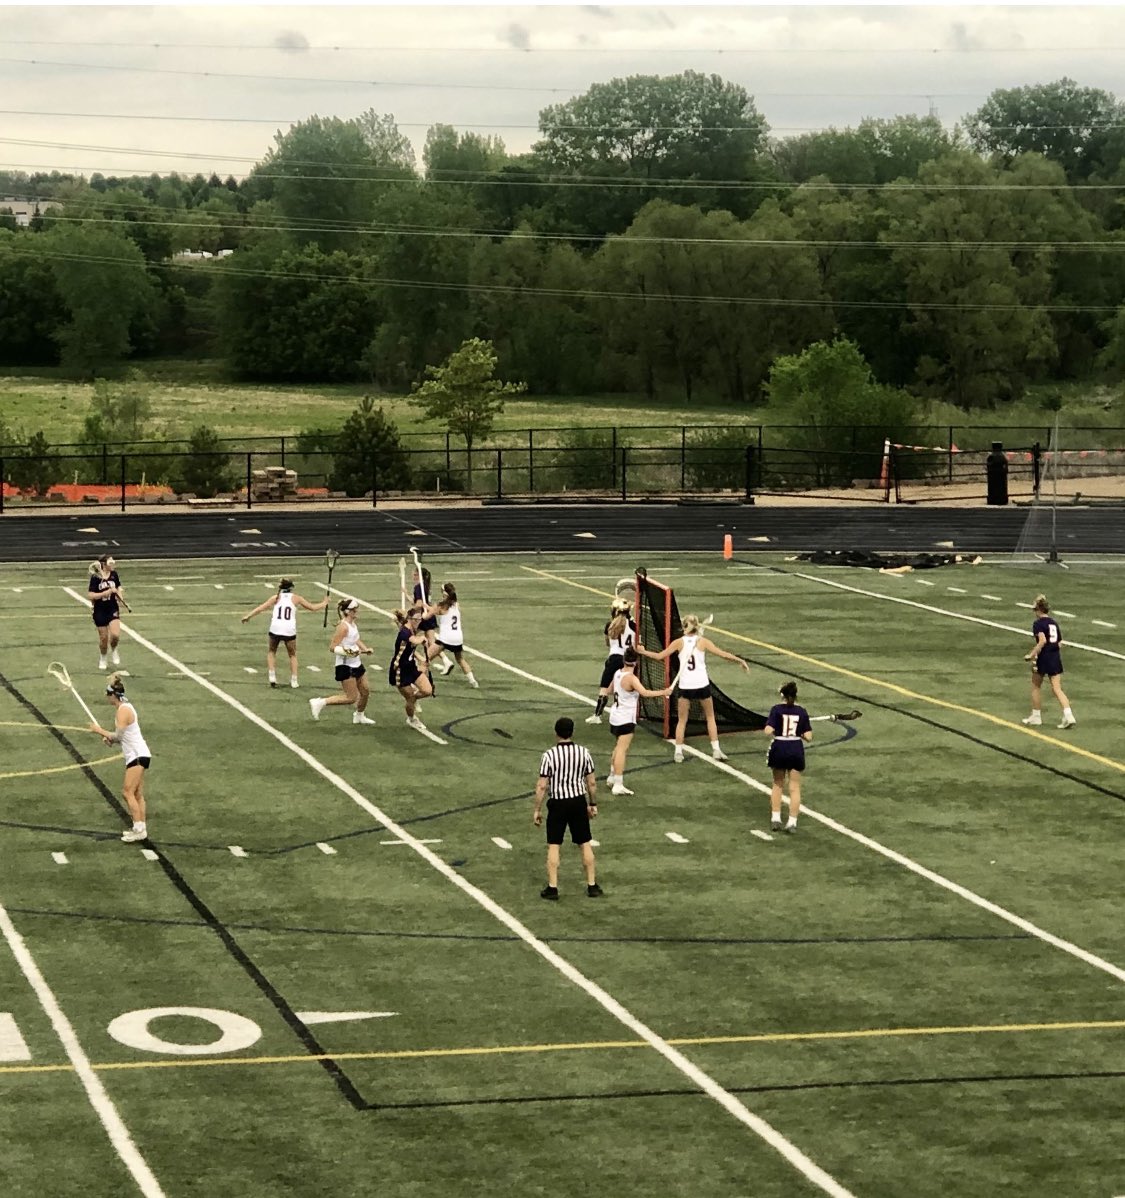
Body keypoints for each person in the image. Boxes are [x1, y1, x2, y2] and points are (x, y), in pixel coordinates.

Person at [636, 613, 750, 763]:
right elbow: (722, 654)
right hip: (702, 684)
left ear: (684, 627)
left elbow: (660, 656)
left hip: (686, 686)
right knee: (710, 717)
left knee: (682, 720)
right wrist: (739, 660)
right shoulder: (703, 642)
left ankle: (678, 752)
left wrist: (643, 651)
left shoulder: (678, 643)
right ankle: (716, 749)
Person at [533, 716, 601, 899]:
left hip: (558, 803)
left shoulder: (549, 755)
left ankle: (553, 887)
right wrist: (592, 803)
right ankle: (592, 884)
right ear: (572, 732)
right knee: (584, 842)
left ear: (556, 733)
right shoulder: (583, 753)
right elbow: (591, 782)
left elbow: (542, 785)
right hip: (578, 801)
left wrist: (537, 809)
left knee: (554, 845)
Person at [88, 673, 152, 843]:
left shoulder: (123, 711)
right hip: (139, 754)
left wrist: (98, 730)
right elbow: (121, 737)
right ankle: (140, 827)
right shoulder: (125, 708)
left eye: (107, 695)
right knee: (137, 794)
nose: (106, 698)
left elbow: (118, 736)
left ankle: (139, 829)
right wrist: (110, 738)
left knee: (127, 792)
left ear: (113, 695)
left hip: (137, 756)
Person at [606, 647, 673, 795]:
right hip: (625, 718)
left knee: (618, 747)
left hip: (615, 716)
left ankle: (612, 777)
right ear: (635, 663)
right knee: (622, 750)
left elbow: (609, 690)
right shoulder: (631, 678)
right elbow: (645, 693)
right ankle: (618, 783)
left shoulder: (618, 673)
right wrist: (664, 692)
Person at [240, 578, 329, 688]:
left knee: (272, 651)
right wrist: (324, 603)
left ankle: (272, 676)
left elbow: (261, 608)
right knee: (292, 655)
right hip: (289, 629)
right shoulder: (296, 598)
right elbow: (313, 608)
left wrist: (248, 616)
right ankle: (294, 680)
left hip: (275, 628)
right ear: (291, 587)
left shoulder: (276, 598)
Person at [309, 598, 376, 725]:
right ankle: (320, 702)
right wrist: (349, 652)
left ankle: (359, 715)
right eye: (354, 610)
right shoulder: (343, 627)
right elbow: (333, 647)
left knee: (365, 691)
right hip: (345, 666)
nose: (357, 612)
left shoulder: (353, 625)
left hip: (356, 663)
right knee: (351, 698)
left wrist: (365, 649)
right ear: (348, 612)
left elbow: (355, 639)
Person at [762, 681, 813, 835]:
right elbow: (809, 737)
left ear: (782, 695)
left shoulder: (776, 710)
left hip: (780, 747)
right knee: (794, 787)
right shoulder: (802, 711)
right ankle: (792, 822)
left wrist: (776, 728)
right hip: (795, 748)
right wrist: (800, 733)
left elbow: (767, 730)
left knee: (778, 784)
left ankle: (776, 818)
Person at [1022, 594, 1076, 729]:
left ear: (1039, 610)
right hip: (1055, 657)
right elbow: (1059, 643)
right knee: (1057, 688)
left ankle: (1036, 716)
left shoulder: (1038, 624)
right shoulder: (1054, 623)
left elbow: (1042, 641)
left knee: (1035, 685)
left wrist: (1031, 654)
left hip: (1043, 657)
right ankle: (1068, 715)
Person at [585, 598, 636, 724]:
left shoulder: (610, 625)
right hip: (629, 659)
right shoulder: (634, 626)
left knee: (605, 688)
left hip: (614, 658)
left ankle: (597, 715)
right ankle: (630, 714)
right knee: (630, 687)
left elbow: (608, 643)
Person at [389, 605, 434, 731]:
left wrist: (421, 659)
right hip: (400, 670)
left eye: (420, 620)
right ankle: (412, 718)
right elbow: (413, 641)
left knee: (427, 690)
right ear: (409, 619)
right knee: (410, 698)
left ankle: (414, 699)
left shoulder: (412, 630)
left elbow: (410, 650)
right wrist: (422, 639)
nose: (418, 622)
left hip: (411, 667)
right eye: (416, 619)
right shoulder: (405, 632)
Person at [433, 582, 478, 688]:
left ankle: (419, 680)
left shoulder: (442, 606)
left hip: (446, 638)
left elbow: (429, 614)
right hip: (457, 638)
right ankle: (473, 680)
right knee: (460, 659)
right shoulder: (456, 605)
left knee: (427, 659)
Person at [414, 565, 454, 676]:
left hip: (423, 616)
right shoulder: (425, 587)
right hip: (429, 615)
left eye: (415, 574)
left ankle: (417, 659)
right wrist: (406, 594)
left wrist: (409, 612)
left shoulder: (419, 587)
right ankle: (446, 661)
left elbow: (419, 604)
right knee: (431, 642)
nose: (413, 576)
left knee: (408, 637)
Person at [88, 555, 125, 670]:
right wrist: (106, 592)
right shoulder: (96, 577)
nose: (113, 564)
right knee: (104, 639)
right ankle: (103, 657)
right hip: (100, 611)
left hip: (112, 608)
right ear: (104, 564)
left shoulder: (114, 575)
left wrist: (120, 596)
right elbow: (90, 595)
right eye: (110, 563)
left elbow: (118, 587)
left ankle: (114, 650)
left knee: (115, 635)